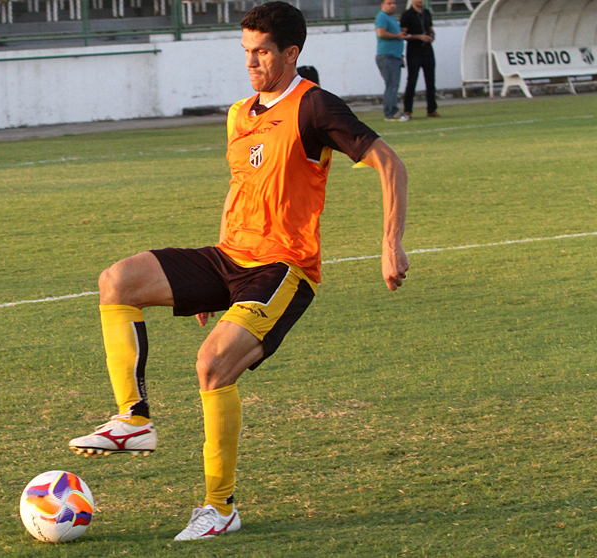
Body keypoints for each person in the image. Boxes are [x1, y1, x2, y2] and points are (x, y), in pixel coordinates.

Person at [68, 1, 409, 541]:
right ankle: (133, 420)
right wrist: (210, 284)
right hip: (229, 257)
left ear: (290, 53)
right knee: (118, 281)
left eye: (263, 52)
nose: (251, 61)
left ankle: (219, 508)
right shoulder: (239, 113)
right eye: (246, 51)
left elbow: (389, 162)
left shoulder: (314, 107)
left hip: (282, 268)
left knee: (212, 366)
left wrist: (390, 244)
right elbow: (240, 189)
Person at [400, 0, 440, 119]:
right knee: (412, 80)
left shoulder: (427, 13)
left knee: (430, 81)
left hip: (427, 50)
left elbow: (431, 30)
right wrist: (418, 37)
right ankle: (408, 110)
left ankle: (431, 109)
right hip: (414, 51)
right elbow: (403, 34)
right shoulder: (407, 15)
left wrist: (431, 37)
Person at [375, 0, 409, 122]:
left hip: (394, 57)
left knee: (393, 85)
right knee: (391, 86)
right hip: (387, 57)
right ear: (382, 5)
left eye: (394, 3)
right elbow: (381, 33)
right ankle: (390, 113)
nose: (392, 5)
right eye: (389, 3)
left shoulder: (391, 18)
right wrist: (398, 36)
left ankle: (392, 111)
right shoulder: (382, 17)